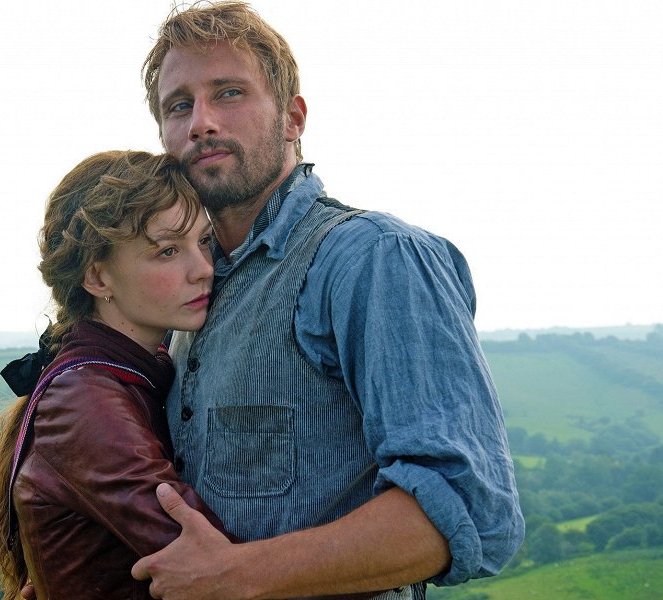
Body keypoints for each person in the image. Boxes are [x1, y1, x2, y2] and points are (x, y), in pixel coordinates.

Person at [127, 2, 525, 599]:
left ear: (292, 118)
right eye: (178, 106)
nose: (201, 123)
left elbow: (466, 510)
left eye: (229, 93)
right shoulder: (191, 292)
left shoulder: (375, 257)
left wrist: (237, 575)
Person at [0, 150, 234, 599]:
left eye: (204, 241)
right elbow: (216, 567)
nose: (204, 269)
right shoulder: (86, 399)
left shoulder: (126, 371)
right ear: (97, 278)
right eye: (168, 251)